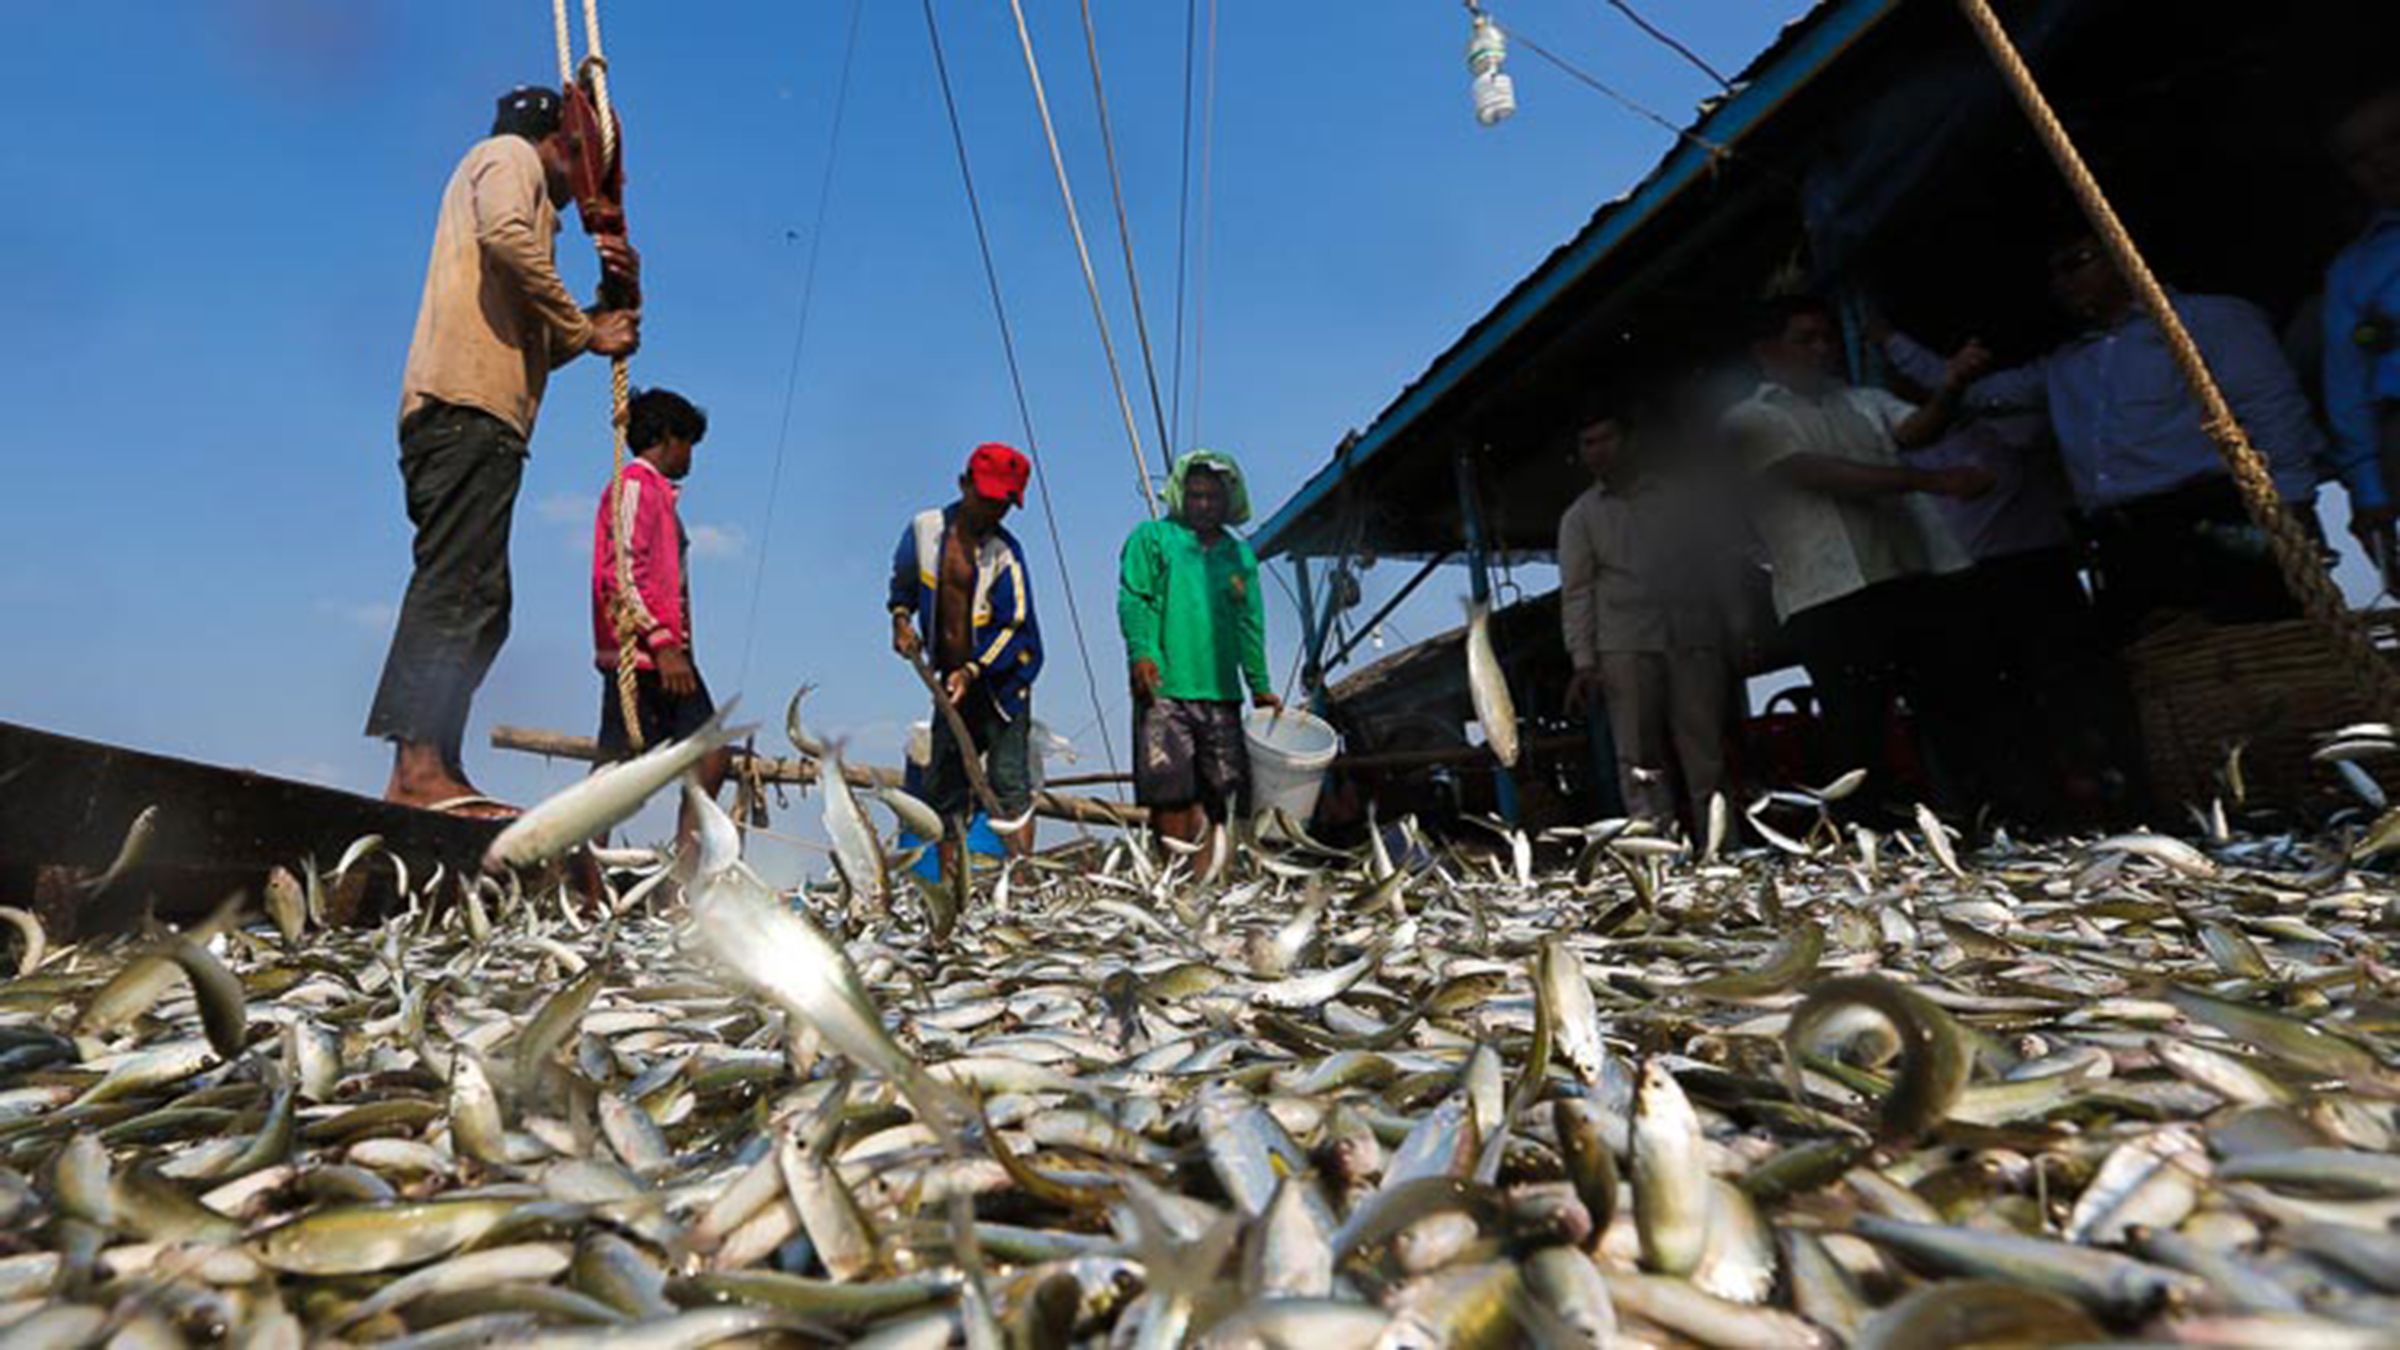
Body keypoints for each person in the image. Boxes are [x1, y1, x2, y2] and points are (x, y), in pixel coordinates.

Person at [1884, 229, 2377, 639]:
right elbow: (1972, 395)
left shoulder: (2210, 319)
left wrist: (2289, 511)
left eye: (2075, 263)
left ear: (2122, 254)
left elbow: (2274, 412)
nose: (2062, 284)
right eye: (2055, 274)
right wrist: (1888, 340)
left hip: (2214, 513)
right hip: (2127, 537)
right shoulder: (2065, 364)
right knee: (2161, 672)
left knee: (2259, 647)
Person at [366, 86, 641, 815]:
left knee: (485, 599)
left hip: (481, 415)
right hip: (465, 411)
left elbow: (539, 342)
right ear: (561, 142)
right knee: (458, 586)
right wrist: (589, 332)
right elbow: (508, 240)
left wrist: (598, 313)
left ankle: (434, 767)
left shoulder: (512, 194)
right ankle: (418, 770)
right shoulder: (508, 158)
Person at [1724, 295, 1998, 819]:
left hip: (1906, 574)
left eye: (1826, 338)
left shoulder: (1861, 401)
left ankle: (1977, 826)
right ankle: (1863, 842)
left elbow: (1916, 428)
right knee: (1855, 729)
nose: (1822, 349)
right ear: (1768, 352)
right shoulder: (1749, 419)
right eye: (1805, 339)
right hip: (1825, 595)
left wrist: (1951, 385)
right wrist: (1933, 480)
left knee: (1947, 709)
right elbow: (1815, 472)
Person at [1557, 409, 1731, 830]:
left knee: (1704, 747)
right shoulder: (1580, 517)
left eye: (1606, 438)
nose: (1598, 451)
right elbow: (1577, 592)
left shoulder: (1677, 498)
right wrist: (1583, 662)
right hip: (1625, 644)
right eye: (1588, 443)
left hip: (1691, 633)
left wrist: (1734, 626)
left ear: (1630, 441)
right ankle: (1657, 850)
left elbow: (1712, 565)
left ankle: (1721, 844)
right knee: (1637, 756)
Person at [888, 444, 1045, 895]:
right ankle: (950, 885)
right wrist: (901, 621)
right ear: (964, 484)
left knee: (1009, 784)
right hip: (950, 684)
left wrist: (973, 671)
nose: (994, 510)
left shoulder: (1006, 554)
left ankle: (1021, 884)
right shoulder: (924, 531)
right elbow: (902, 586)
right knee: (945, 788)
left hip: (1003, 683)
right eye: (987, 499)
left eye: (1003, 504)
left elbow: (1013, 626)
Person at [1119, 451, 1282, 846]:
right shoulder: (1152, 538)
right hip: (1165, 690)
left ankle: (1214, 884)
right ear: (1181, 496)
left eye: (1213, 497)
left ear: (1227, 501)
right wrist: (1141, 653)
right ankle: (1176, 881)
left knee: (1225, 798)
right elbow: (1134, 599)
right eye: (1195, 496)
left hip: (1221, 694)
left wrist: (1259, 684)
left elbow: (1250, 624)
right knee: (1170, 795)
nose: (1204, 505)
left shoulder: (1238, 555)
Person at [591, 389, 730, 845]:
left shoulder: (661, 496)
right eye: (688, 442)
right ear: (669, 437)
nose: (691, 456)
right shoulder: (632, 486)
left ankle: (679, 883)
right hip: (646, 655)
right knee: (618, 771)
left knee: (710, 757)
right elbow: (622, 573)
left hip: (670, 655)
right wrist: (664, 643)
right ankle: (580, 877)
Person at [2325, 84, 2400, 580]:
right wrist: (2370, 493)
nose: (2380, 163)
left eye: (2393, 140)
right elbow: (2347, 383)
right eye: (2359, 158)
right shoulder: (2355, 270)